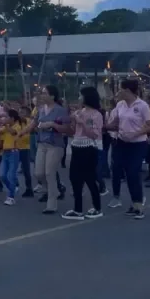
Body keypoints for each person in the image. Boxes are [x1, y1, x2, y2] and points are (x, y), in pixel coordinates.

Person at [106, 79, 150, 219]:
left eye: (120, 89)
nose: (118, 92)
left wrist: (136, 133)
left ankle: (138, 205)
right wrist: (107, 125)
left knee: (133, 172)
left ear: (127, 91)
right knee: (120, 170)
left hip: (138, 144)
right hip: (121, 142)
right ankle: (132, 202)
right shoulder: (120, 105)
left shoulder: (142, 105)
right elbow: (114, 122)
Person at [62, 87, 104, 221]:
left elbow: (94, 134)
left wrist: (81, 122)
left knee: (89, 178)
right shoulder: (80, 112)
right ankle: (78, 209)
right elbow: (74, 131)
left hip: (89, 148)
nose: (79, 98)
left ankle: (97, 207)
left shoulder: (96, 115)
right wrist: (73, 121)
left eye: (81, 96)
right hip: (76, 146)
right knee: (75, 178)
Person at [29, 85, 70, 215]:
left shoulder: (60, 110)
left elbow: (67, 129)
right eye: (41, 93)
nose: (42, 95)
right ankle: (54, 191)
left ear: (52, 96)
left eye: (45, 93)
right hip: (41, 143)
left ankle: (51, 204)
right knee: (38, 173)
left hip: (55, 145)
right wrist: (22, 132)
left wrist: (53, 125)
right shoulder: (40, 109)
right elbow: (33, 124)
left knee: (49, 173)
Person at [0, 109, 22, 206]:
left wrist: (5, 125)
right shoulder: (5, 127)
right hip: (5, 153)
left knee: (11, 175)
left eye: (6, 117)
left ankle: (11, 197)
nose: (4, 119)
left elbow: (13, 132)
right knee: (3, 175)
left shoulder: (17, 126)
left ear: (12, 118)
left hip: (14, 152)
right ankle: (13, 188)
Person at [17, 106, 34, 197]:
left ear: (27, 114)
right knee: (12, 168)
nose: (20, 114)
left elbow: (27, 132)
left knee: (26, 169)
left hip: (25, 148)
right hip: (16, 148)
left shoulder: (29, 121)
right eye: (19, 112)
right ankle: (15, 185)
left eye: (22, 112)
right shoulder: (17, 121)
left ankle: (29, 188)